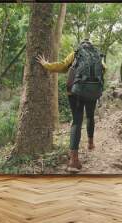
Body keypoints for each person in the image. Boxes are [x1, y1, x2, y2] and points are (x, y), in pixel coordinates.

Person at [36, 39, 105, 173]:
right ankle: (90, 143)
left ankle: (74, 160)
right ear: (92, 46)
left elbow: (63, 66)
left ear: (81, 45)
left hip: (75, 93)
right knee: (90, 116)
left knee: (77, 122)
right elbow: (104, 70)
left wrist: (46, 64)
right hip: (93, 91)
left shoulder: (76, 53)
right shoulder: (98, 55)